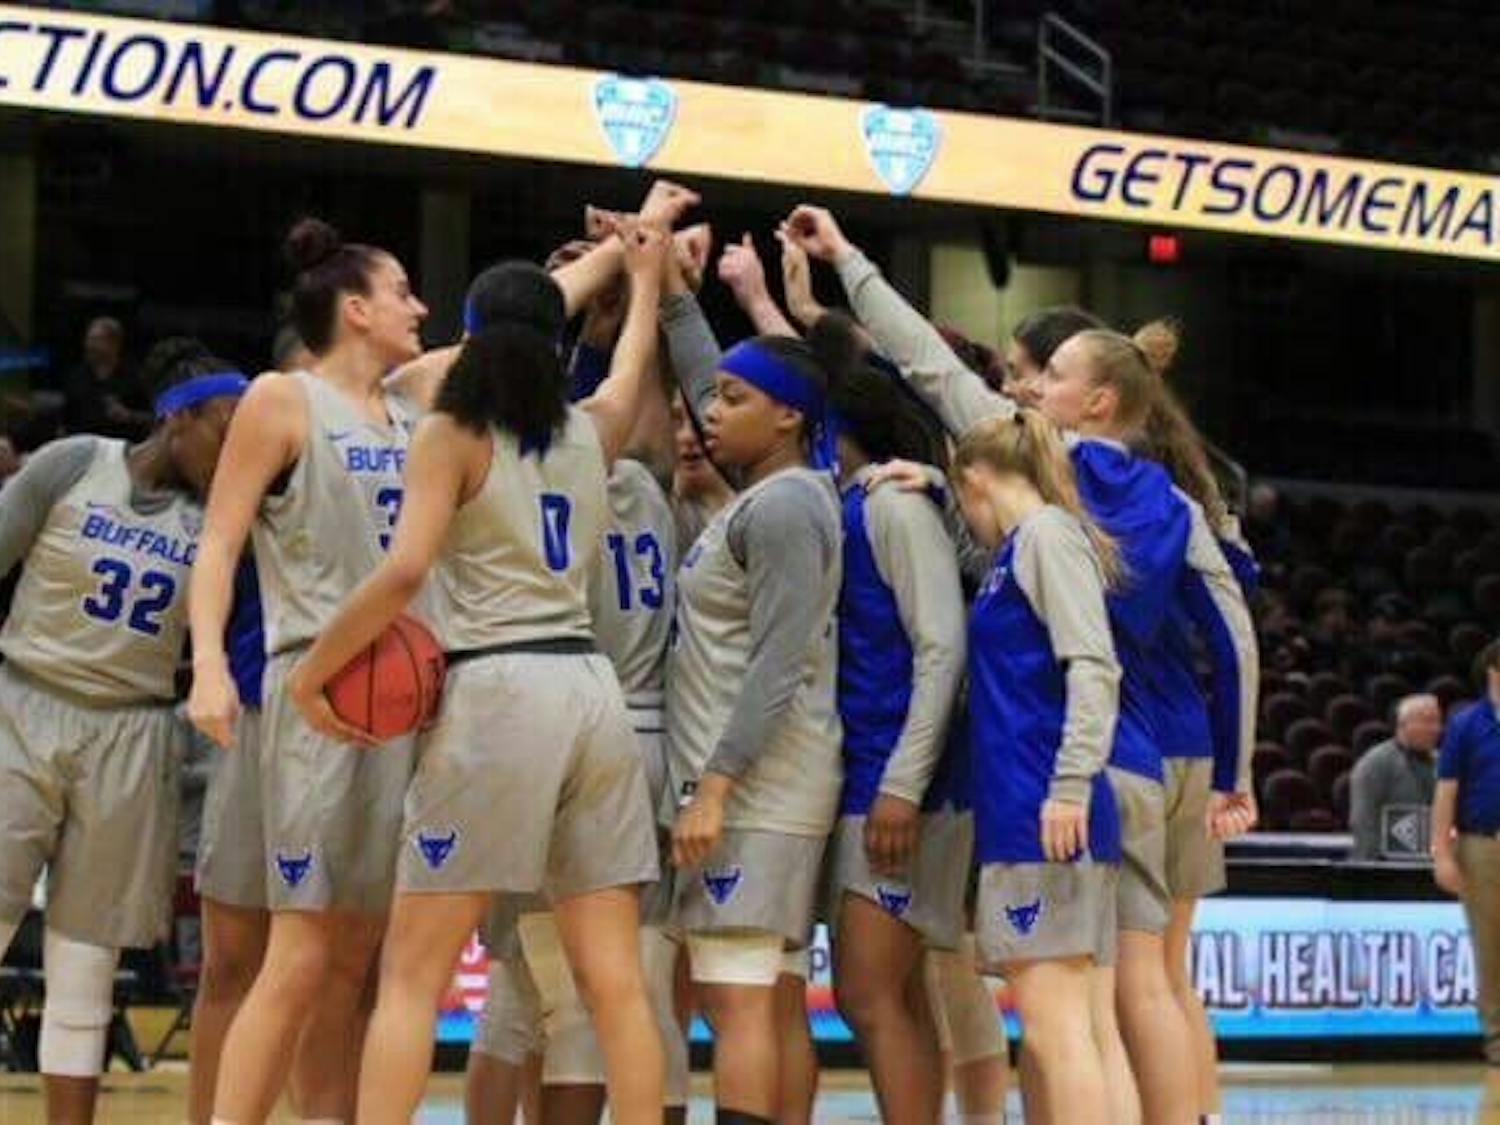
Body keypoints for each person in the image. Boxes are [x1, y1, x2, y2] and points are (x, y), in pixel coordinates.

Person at [785, 203, 1258, 1125]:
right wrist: (1235, 768)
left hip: (1082, 763)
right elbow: (1233, 627)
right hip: (1173, 750)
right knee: (1147, 989)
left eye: (1043, 376)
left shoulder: (1047, 486)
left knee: (1081, 1014)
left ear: (1096, 401)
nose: (1024, 389)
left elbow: (922, 360)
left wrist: (845, 259)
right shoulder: (1174, 498)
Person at [288, 216, 675, 1125]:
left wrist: (313, 672)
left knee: (411, 976)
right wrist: (646, 279)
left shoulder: (451, 432)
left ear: (470, 337)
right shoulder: (591, 430)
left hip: (500, 690)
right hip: (593, 691)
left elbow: (405, 572)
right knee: (616, 982)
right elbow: (629, 369)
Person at [186, 217, 431, 1125]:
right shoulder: (282, 399)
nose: (420, 307)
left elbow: (522, 315)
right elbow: (219, 543)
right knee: (296, 952)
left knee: (356, 962)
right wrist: (209, 665)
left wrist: (638, 248)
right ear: (356, 309)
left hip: (404, 700)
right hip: (314, 695)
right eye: (402, 291)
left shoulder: (413, 405)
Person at [464, 237, 691, 1125]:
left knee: (534, 1000)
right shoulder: (651, 485)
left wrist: (592, 290)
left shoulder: (542, 474)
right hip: (640, 736)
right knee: (633, 986)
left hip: (553, 714)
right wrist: (644, 294)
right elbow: (638, 402)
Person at [0, 338, 244, 1123]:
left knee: (86, 964)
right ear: (180, 417)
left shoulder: (224, 520)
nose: (238, 451)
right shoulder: (72, 463)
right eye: (227, 429)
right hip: (24, 702)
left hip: (134, 729)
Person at [660, 250, 844, 1125]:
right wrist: (673, 290)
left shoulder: (784, 507)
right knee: (769, 997)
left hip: (756, 792)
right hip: (771, 786)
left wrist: (715, 787)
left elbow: (778, 661)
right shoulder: (770, 491)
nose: (710, 412)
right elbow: (714, 380)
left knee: (735, 1002)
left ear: (788, 416)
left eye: (733, 401)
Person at [802, 311, 968, 1124]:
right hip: (872, 771)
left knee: (868, 991)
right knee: (896, 990)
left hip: (901, 780)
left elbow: (943, 646)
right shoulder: (848, 503)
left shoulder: (894, 507)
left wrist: (903, 784)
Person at [951, 409, 1125, 1125]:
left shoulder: (1047, 536)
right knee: (1075, 1030)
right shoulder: (1021, 548)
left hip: (1044, 809)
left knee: (1059, 1033)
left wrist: (1069, 784)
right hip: (1028, 806)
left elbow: (1095, 666)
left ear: (977, 479)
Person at [1433, 640, 1500, 1077]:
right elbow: (1446, 792)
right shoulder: (1466, 724)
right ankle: (1497, 1039)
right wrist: (1442, 853)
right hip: (1483, 846)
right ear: (1494, 670)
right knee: (1491, 946)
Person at [1351, 694, 1442, 861]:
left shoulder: (1441, 762)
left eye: (1437, 721)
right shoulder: (1375, 763)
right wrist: (1371, 868)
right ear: (1403, 724)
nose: (1436, 729)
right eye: (1427, 721)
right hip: (1388, 867)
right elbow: (1364, 822)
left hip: (1430, 863)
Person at [64, 316, 153, 440]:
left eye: (96, 340)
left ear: (115, 343)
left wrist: (129, 416)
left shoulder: (136, 377)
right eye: (88, 339)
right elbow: (67, 418)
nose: (89, 345)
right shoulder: (77, 376)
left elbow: (155, 418)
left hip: (122, 445)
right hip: (83, 446)